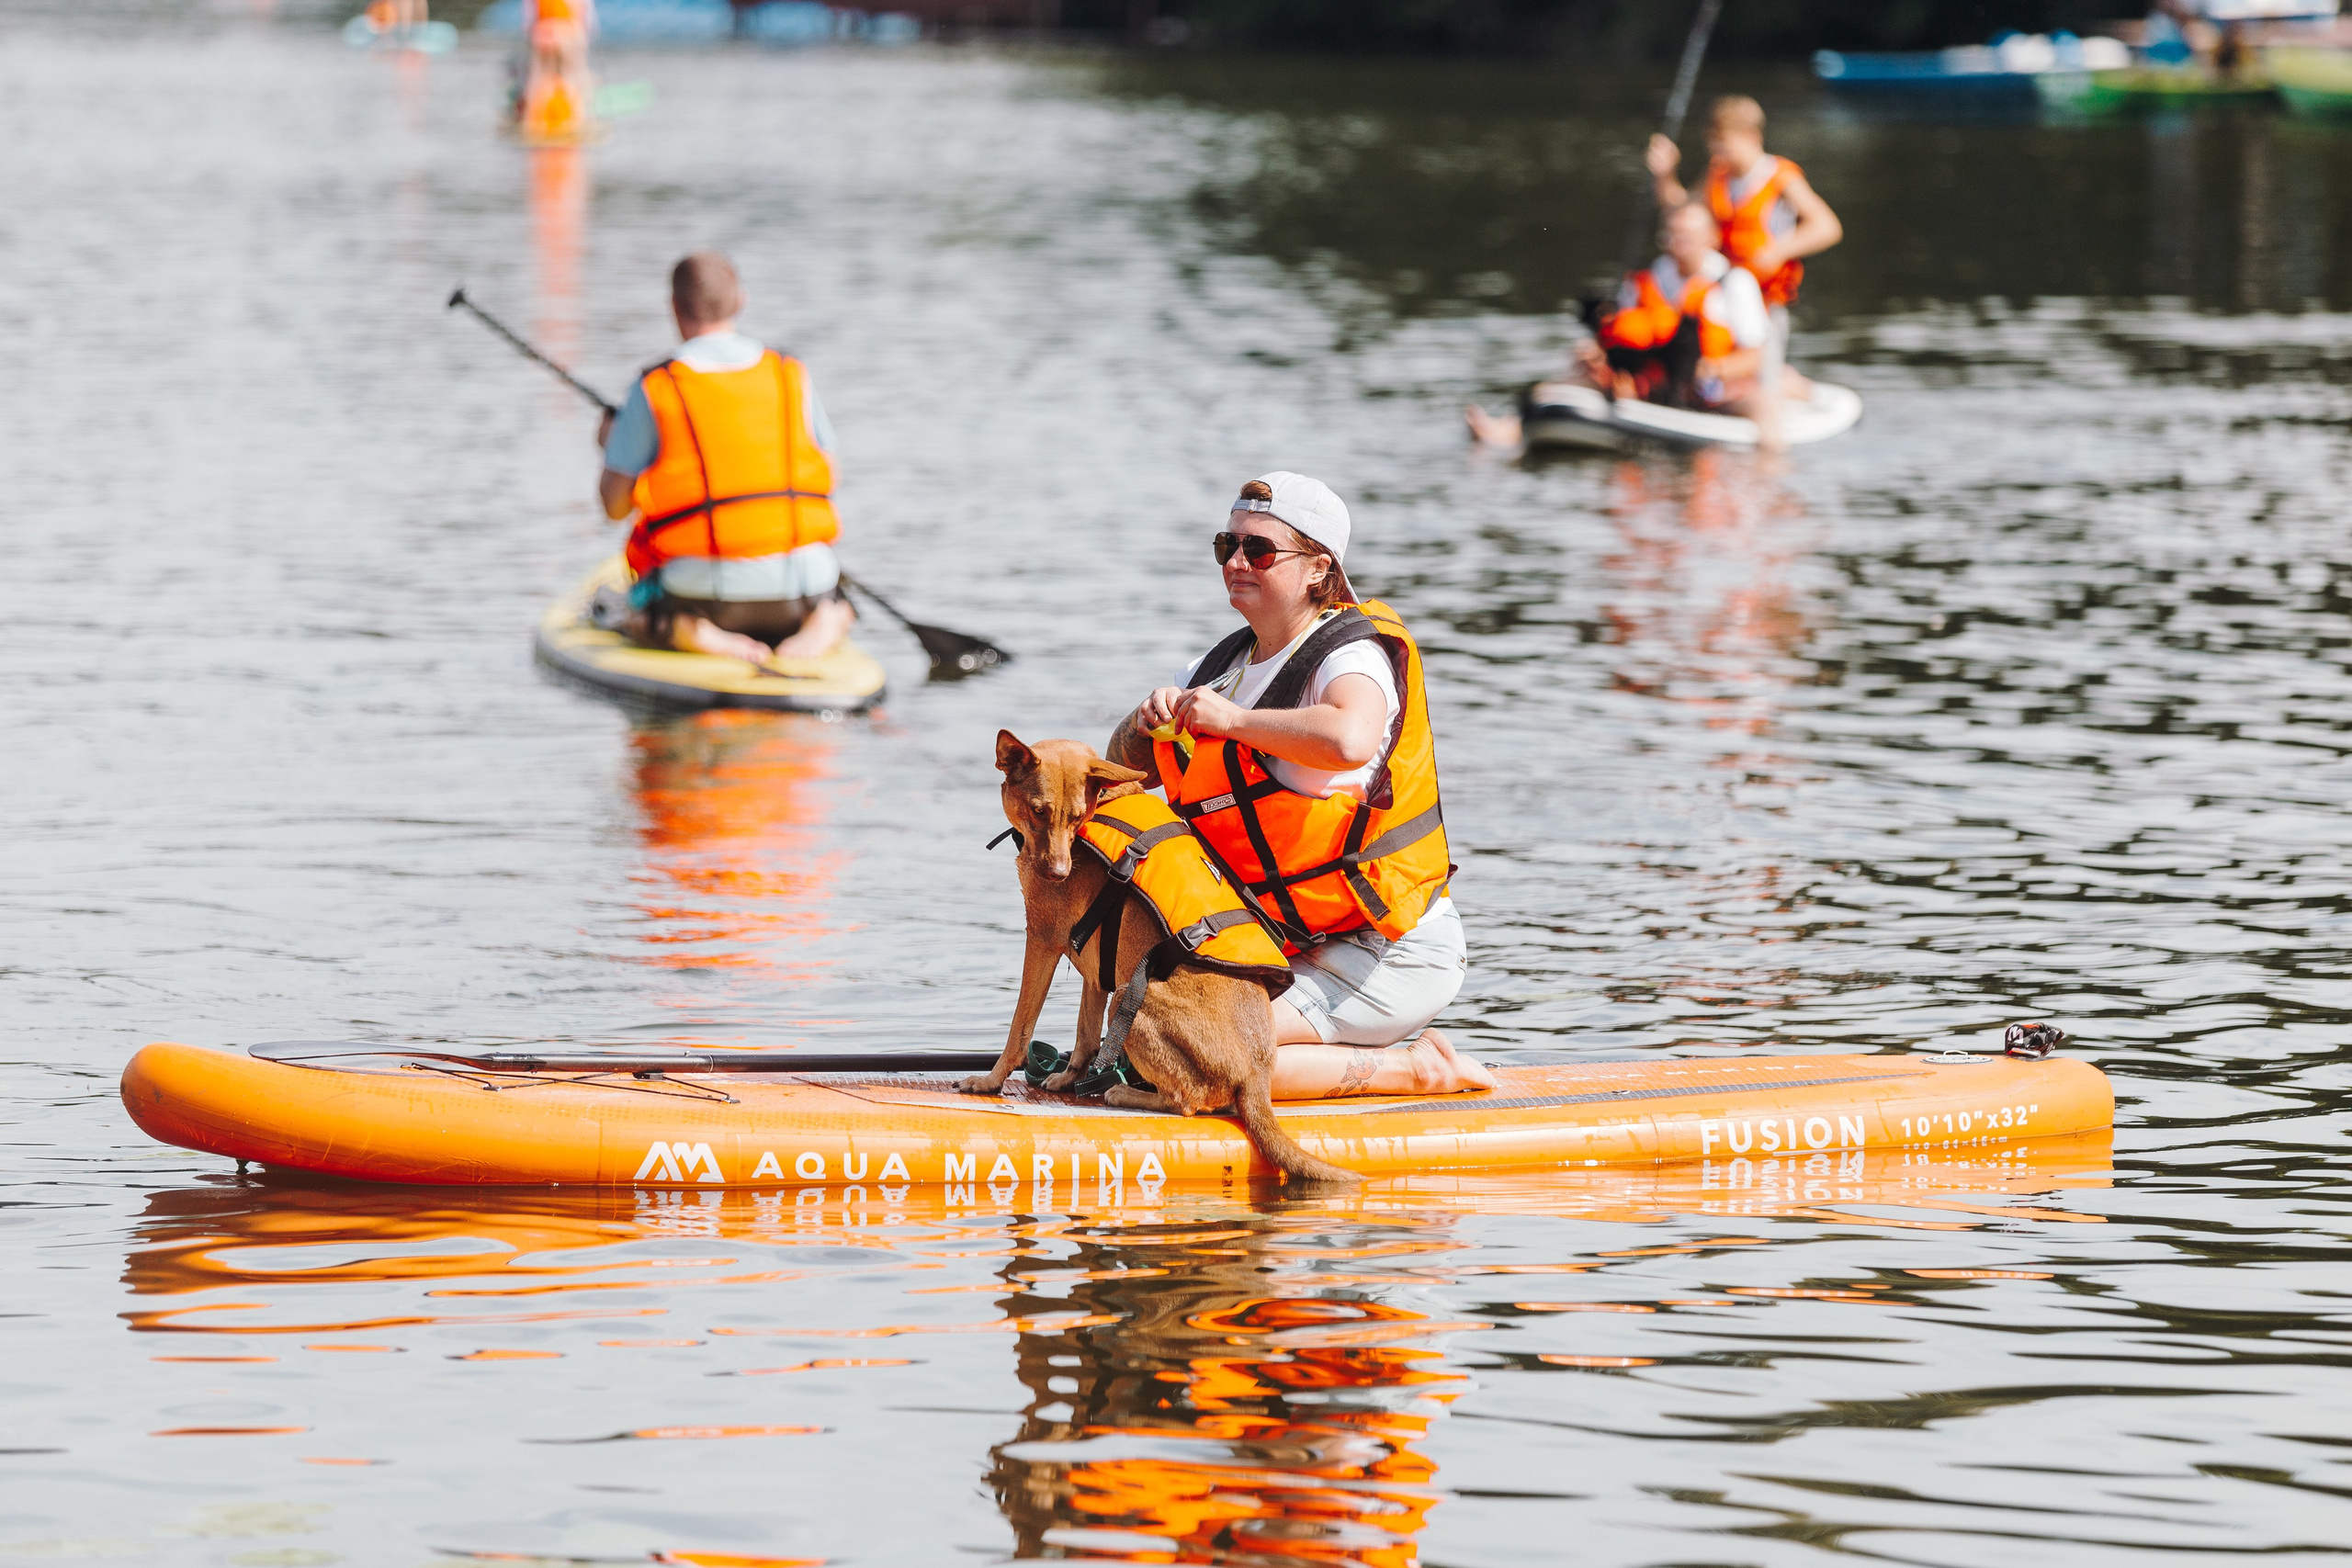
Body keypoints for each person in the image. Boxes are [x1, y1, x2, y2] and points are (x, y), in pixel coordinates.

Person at [1104, 472, 1495, 1101]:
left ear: (1318, 567)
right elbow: (1124, 766)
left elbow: (1349, 737)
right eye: (1225, 545)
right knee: (1150, 1041)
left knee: (1215, 1063)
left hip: (1393, 949)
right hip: (1295, 944)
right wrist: (1145, 716)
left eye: (1258, 550)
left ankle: (1421, 1070)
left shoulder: (1351, 654)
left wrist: (1232, 721)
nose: (1235, 561)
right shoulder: (1216, 669)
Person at [594, 253, 856, 666]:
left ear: (675, 309)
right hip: (802, 591)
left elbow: (614, 507)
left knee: (628, 609)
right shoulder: (789, 372)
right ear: (742, 301)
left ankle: (689, 630)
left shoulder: (656, 385)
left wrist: (613, 444)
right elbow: (832, 475)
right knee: (834, 594)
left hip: (707, 598)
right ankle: (828, 617)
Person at [1464, 199, 1770, 447]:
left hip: (1707, 387)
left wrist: (1709, 370)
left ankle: (1772, 460)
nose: (1679, 245)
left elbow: (1755, 356)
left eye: (1687, 238)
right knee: (1579, 367)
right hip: (1645, 382)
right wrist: (1600, 353)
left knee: (1760, 405)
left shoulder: (1733, 283)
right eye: (1672, 236)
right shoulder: (1645, 281)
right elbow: (1622, 338)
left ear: (1711, 238)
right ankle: (1508, 428)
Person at [1648, 95, 1841, 440]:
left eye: (1725, 145)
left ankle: (1796, 388)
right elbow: (1683, 215)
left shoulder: (1781, 176)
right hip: (1725, 298)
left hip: (1766, 300)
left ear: (1751, 136)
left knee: (1762, 380)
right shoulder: (1717, 175)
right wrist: (1665, 176)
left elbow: (1827, 226)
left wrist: (1780, 249)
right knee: (1716, 372)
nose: (1719, 154)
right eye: (1714, 146)